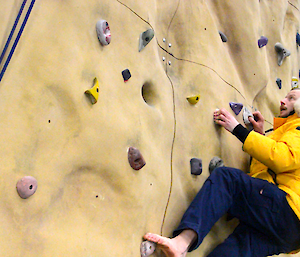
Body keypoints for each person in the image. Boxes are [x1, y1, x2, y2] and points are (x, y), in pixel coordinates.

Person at [143, 88, 300, 257]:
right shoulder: (286, 130)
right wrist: (261, 135)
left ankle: (181, 243)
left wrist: (237, 129)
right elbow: (272, 168)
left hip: (287, 208)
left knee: (227, 180)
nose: (283, 101)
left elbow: (283, 157)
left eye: (292, 98)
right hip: (292, 234)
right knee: (233, 251)